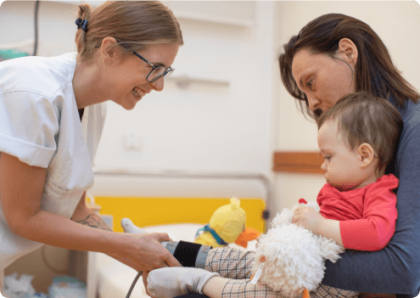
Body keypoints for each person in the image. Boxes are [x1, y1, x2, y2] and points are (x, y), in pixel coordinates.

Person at [143, 12, 420, 298]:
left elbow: (404, 271)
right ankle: (179, 254)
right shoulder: (359, 148)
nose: (312, 103)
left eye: (310, 82)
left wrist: (282, 262)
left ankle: (194, 270)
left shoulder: (414, 130)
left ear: (348, 52)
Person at [0, 0, 184, 293]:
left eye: (165, 72)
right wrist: (126, 245)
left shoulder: (94, 106)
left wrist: (142, 255)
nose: (159, 85)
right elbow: (23, 218)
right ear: (109, 50)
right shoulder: (34, 94)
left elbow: (77, 209)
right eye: (154, 68)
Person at [144, 92, 402, 298]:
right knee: (242, 257)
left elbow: (377, 232)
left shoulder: (379, 191)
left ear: (364, 155)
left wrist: (320, 224)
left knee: (263, 293)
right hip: (302, 262)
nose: (323, 165)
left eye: (328, 157)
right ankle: (165, 247)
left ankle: (200, 282)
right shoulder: (340, 186)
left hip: (329, 282)